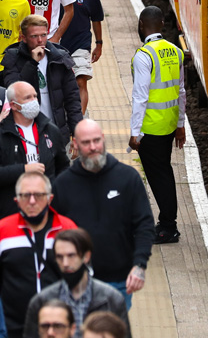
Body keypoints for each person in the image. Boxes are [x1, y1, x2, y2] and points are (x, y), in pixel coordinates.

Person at [52, 120, 154, 311]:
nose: (93, 147)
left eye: (96, 141)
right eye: (86, 142)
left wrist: (139, 265)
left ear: (104, 139)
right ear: (75, 145)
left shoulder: (128, 178)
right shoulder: (63, 184)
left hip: (118, 282)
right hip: (75, 283)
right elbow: (52, 232)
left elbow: (144, 225)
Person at [0, 171, 77, 338]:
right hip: (13, 328)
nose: (32, 201)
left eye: (39, 195)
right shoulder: (2, 230)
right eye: (26, 195)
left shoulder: (67, 228)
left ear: (50, 198)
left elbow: (80, 280)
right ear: (17, 200)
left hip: (58, 329)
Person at [129, 5, 186, 245]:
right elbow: (181, 91)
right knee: (164, 172)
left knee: (159, 176)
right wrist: (181, 124)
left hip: (151, 129)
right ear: (162, 24)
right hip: (170, 124)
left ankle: (167, 227)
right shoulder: (175, 51)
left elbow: (140, 96)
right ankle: (167, 223)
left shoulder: (144, 55)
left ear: (141, 25)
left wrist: (135, 134)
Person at [0, 83, 70, 218]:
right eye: (27, 98)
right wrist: (23, 170)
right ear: (13, 105)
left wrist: (57, 195)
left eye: (35, 96)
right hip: (12, 212)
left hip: (48, 210)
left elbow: (63, 167)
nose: (34, 101)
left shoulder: (51, 130)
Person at [24, 230, 130, 338]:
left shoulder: (112, 299)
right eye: (60, 257)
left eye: (71, 256)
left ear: (86, 256)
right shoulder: (41, 301)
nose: (65, 263)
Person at [0, 16, 82, 140]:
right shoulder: (13, 57)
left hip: (56, 131)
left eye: (43, 35)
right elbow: (13, 90)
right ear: (23, 38)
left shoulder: (60, 58)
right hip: (25, 133)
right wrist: (32, 63)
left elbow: (73, 99)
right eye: (34, 36)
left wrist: (76, 133)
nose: (40, 40)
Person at [58, 0, 104, 114]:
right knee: (61, 84)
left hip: (81, 44)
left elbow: (96, 19)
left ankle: (79, 120)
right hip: (58, 44)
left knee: (80, 82)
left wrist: (99, 44)